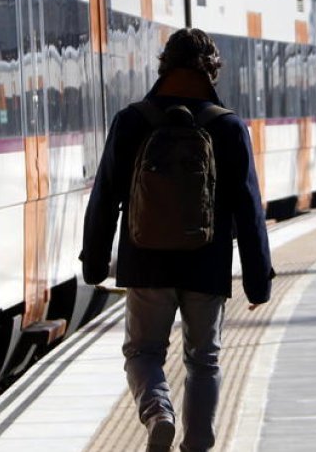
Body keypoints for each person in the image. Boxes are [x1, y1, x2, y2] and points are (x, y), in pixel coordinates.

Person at [81, 28, 273, 452]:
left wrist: (94, 263)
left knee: (143, 353)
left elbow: (104, 197)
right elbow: (249, 208)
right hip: (208, 264)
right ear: (213, 71)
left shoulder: (131, 120)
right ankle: (199, 445)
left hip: (146, 262)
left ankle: (158, 413)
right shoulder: (227, 126)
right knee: (203, 360)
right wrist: (259, 281)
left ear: (164, 65)